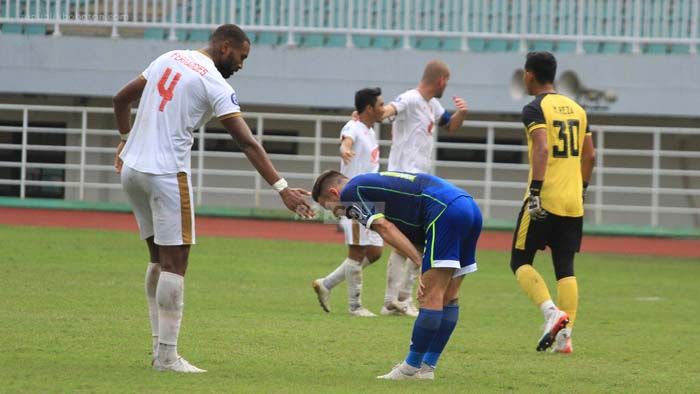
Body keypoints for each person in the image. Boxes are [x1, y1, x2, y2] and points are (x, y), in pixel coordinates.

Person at [112, 24, 313, 373]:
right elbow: (248, 143)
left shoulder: (168, 57)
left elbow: (120, 99)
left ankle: (158, 349)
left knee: (158, 258)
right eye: (241, 56)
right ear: (225, 47)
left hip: (133, 172)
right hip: (166, 174)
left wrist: (124, 139)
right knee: (176, 263)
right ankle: (167, 357)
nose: (241, 65)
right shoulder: (216, 83)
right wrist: (282, 188)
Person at [312, 170, 482, 380]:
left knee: (431, 296)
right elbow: (413, 229)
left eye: (327, 206)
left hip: (444, 210)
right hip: (469, 207)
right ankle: (427, 368)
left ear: (333, 192)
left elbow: (384, 227)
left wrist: (419, 263)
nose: (335, 213)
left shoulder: (349, 193)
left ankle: (410, 369)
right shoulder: (371, 185)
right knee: (449, 296)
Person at [510, 52, 596, 353]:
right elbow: (591, 155)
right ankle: (565, 337)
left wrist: (535, 190)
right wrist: (581, 188)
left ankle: (552, 313)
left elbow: (543, 148)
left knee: (519, 261)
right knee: (565, 268)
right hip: (573, 201)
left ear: (530, 75)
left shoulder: (535, 108)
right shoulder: (578, 108)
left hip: (544, 199)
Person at [376, 60, 469, 317]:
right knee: (420, 241)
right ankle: (403, 299)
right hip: (403, 180)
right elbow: (389, 110)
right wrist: (373, 112)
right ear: (440, 80)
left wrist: (462, 113)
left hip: (417, 182)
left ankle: (391, 301)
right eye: (447, 81)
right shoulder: (411, 98)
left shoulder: (432, 105)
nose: (447, 86)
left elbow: (450, 125)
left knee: (404, 243)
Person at [312, 88, 385, 317]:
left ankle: (327, 284)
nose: (384, 109)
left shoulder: (369, 130)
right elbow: (346, 141)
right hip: (353, 199)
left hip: (371, 199)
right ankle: (355, 306)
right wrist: (344, 149)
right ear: (369, 108)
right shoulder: (353, 127)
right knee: (357, 250)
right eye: (380, 105)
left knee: (374, 251)